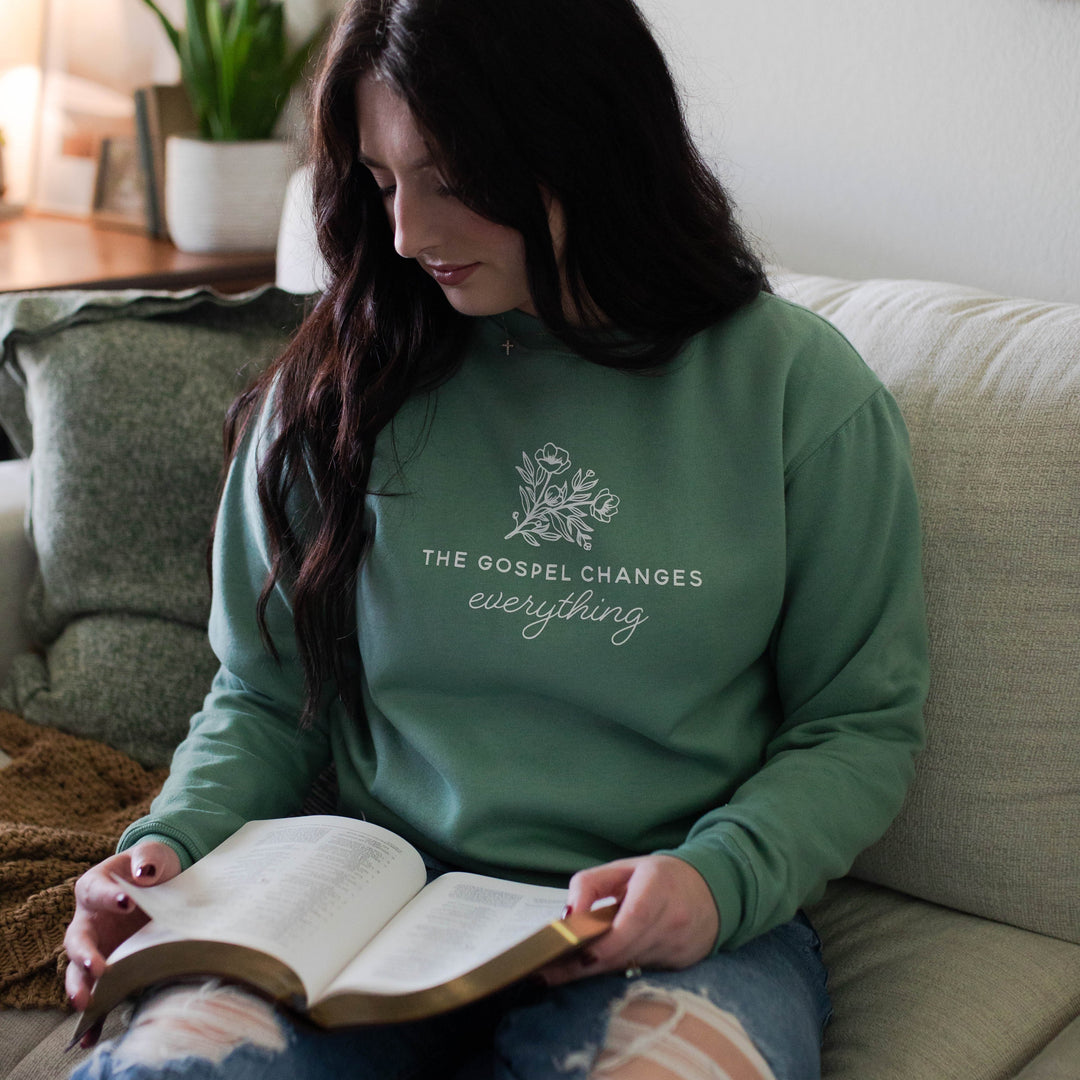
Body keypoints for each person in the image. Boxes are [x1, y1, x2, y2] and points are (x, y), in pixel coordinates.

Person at [64, 1, 929, 1078]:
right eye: (382, 181)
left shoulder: (798, 393)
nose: (407, 235)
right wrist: (171, 852)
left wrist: (720, 881)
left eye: (453, 180)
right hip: (357, 908)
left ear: (591, 145)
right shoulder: (336, 387)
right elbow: (265, 696)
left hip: (660, 919)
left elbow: (857, 723)